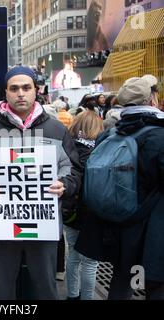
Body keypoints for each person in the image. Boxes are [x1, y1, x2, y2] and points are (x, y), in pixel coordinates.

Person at [0, 66, 82, 300]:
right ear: (6, 93)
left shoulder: (56, 129)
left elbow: (74, 169)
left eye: (26, 88)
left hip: (43, 224)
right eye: (14, 88)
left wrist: (65, 184)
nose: (20, 93)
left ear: (36, 91)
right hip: (2, 225)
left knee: (46, 287)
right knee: (3, 288)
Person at [75, 77, 164, 300]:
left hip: (116, 226)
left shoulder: (109, 134)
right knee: (155, 284)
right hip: (151, 230)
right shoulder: (158, 136)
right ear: (151, 99)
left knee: (122, 279)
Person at [63, 110, 104, 300]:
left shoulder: (67, 149)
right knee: (90, 261)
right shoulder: (101, 152)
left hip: (70, 212)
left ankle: (72, 295)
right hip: (92, 213)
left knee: (73, 254)